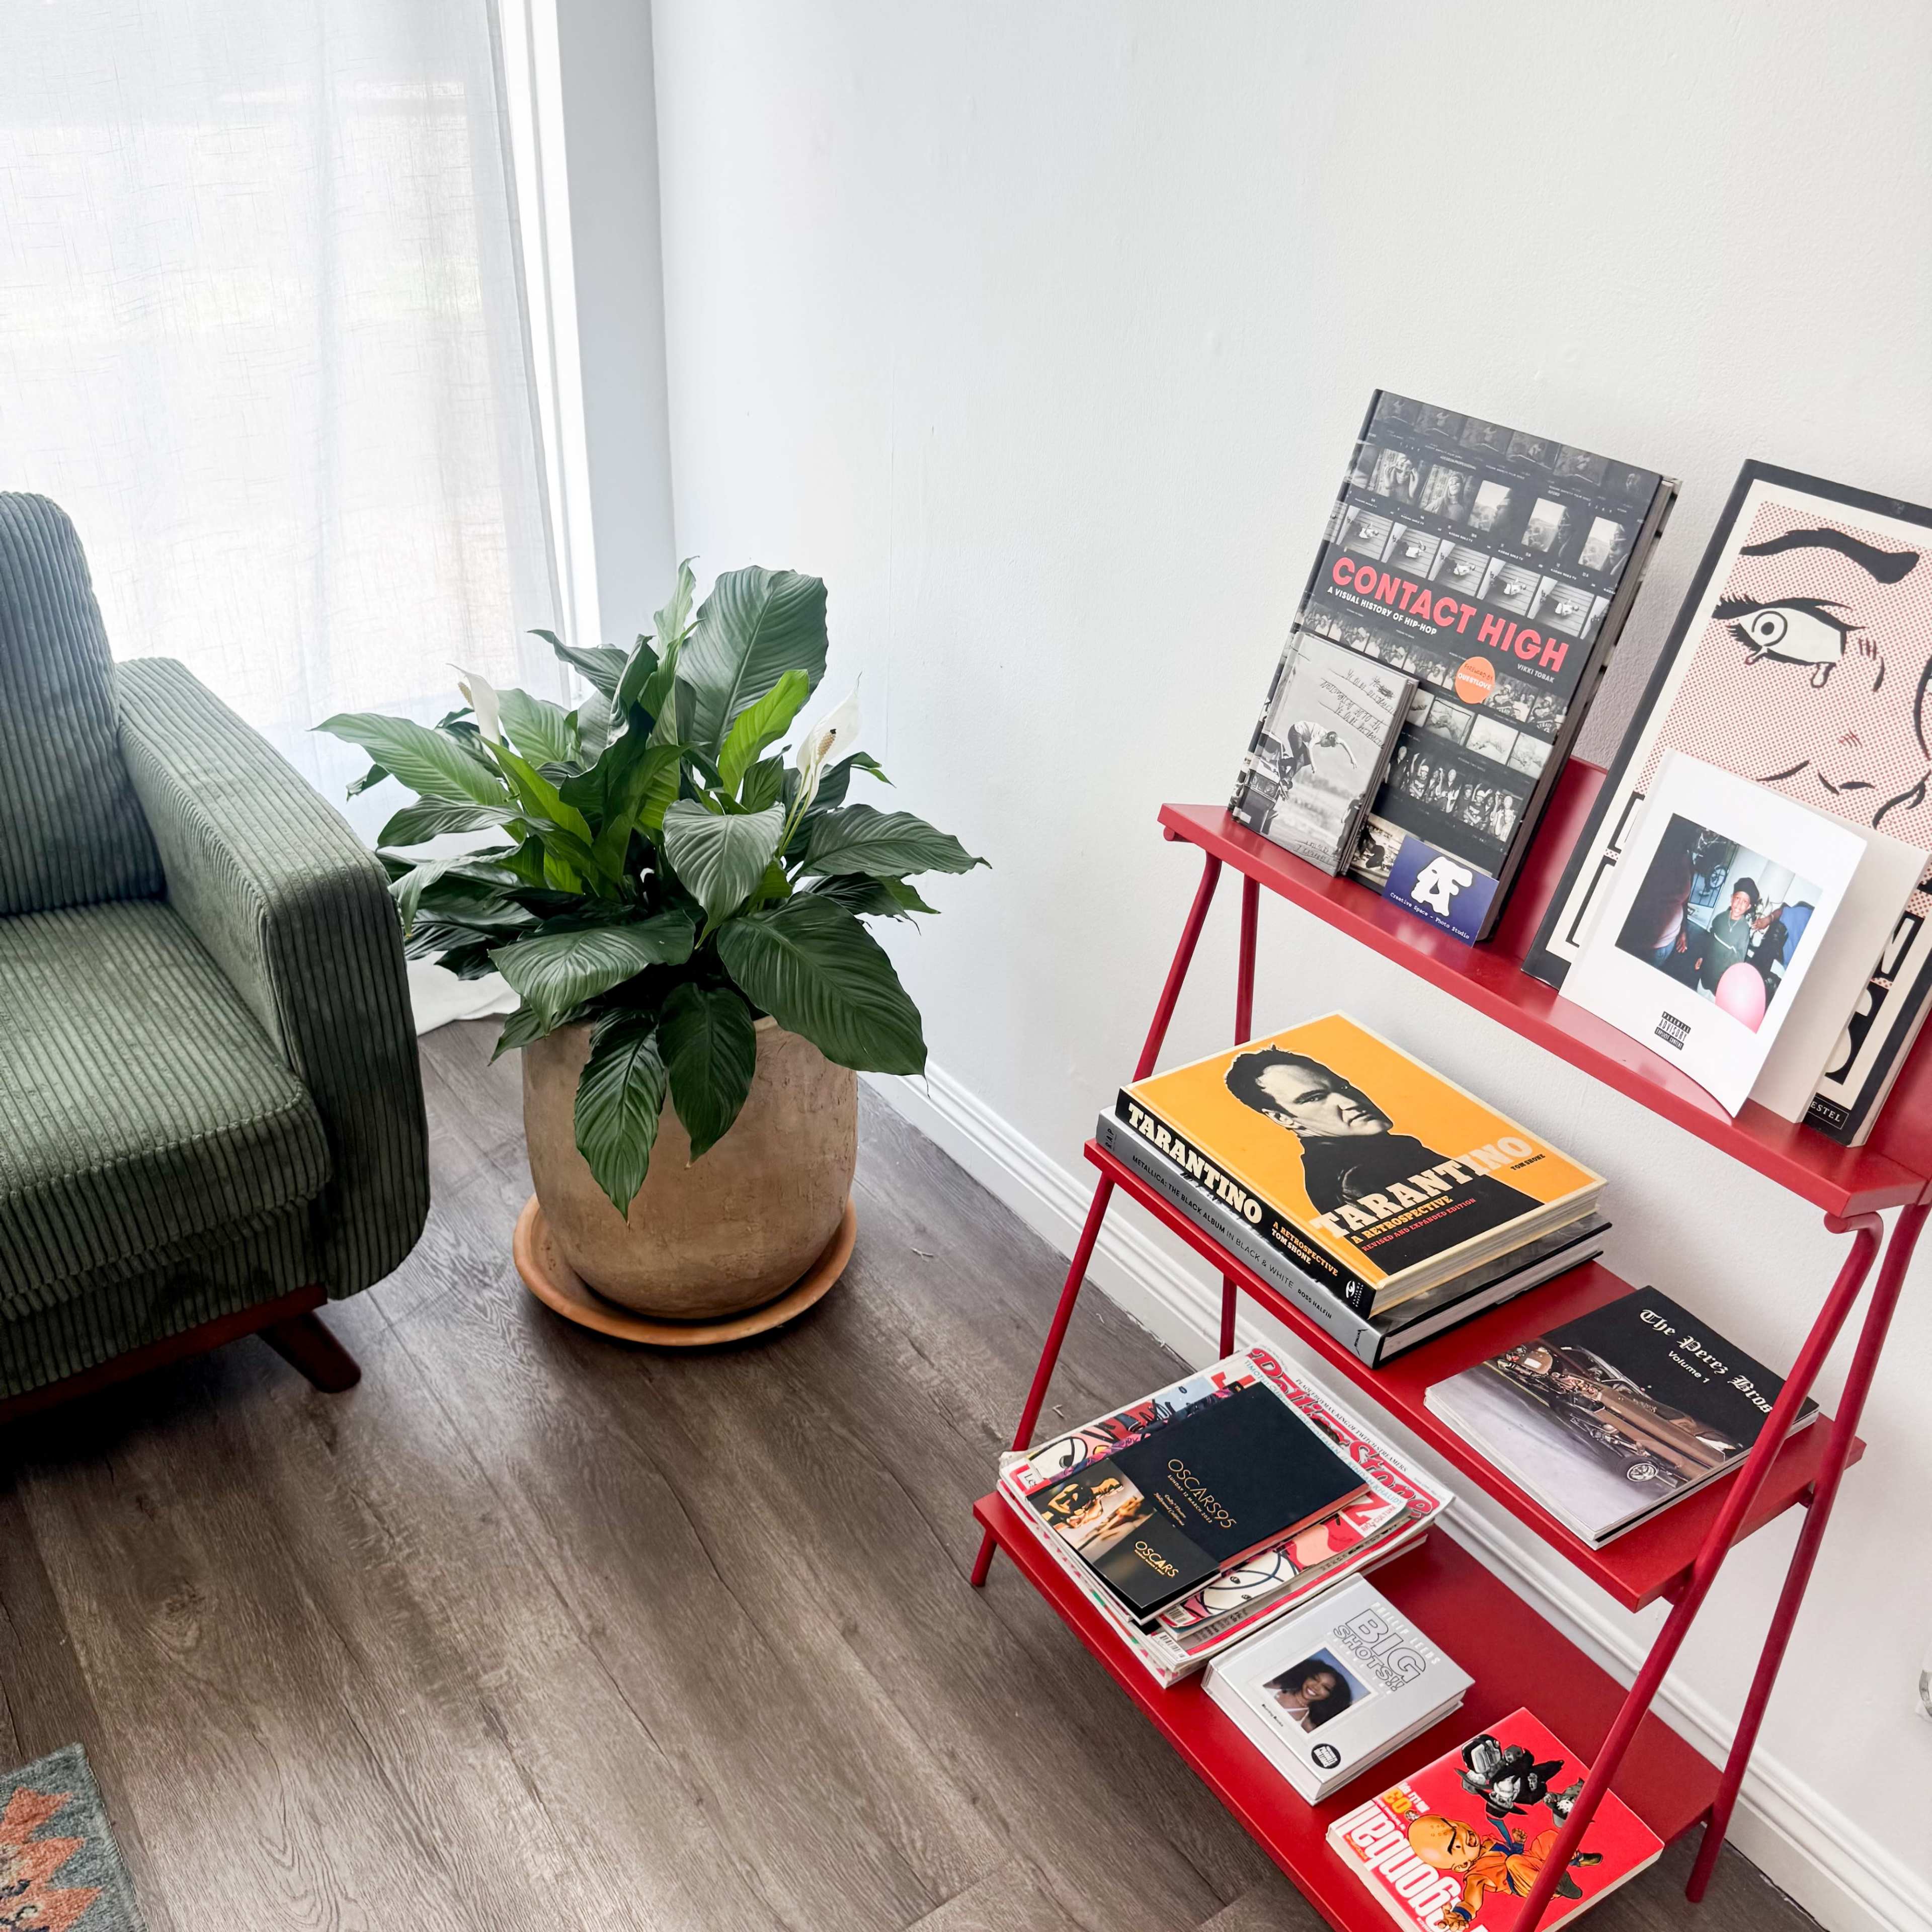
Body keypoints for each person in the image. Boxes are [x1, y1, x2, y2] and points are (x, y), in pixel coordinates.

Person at [1222, 1048, 1539, 1272]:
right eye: (1315, 1098)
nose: (1349, 1102)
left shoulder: (1380, 1153)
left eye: (1342, 1087)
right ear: (1283, 1118)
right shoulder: (1357, 1175)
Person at [1406, 1814, 1601, 1926]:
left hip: (1532, 1862)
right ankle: (1556, 1883)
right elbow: (1471, 1899)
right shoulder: (1476, 1876)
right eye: (1454, 1845)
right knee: (1514, 1863)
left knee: (1548, 1837)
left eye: (1454, 1826)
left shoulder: (1490, 1843)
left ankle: (1577, 1860)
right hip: (1527, 1884)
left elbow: (1512, 1854)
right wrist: (1462, 1914)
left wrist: (1518, 1843)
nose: (1461, 1834)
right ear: (1462, 1866)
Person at [1696, 878, 1759, 992]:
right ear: (1732, 899)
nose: (1739, 905)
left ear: (1749, 907)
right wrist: (1702, 956)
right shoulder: (1720, 918)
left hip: (1721, 983)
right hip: (1706, 973)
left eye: (1745, 902)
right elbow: (1709, 939)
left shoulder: (1744, 931)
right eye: (1737, 899)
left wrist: (1729, 982)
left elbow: (1738, 962)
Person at [1265, 1659, 1353, 1731]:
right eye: (1315, 1679)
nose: (1316, 1687)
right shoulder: (1274, 1685)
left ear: (1331, 1696)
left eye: (1326, 1687)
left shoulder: (1307, 1726)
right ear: (1307, 1676)